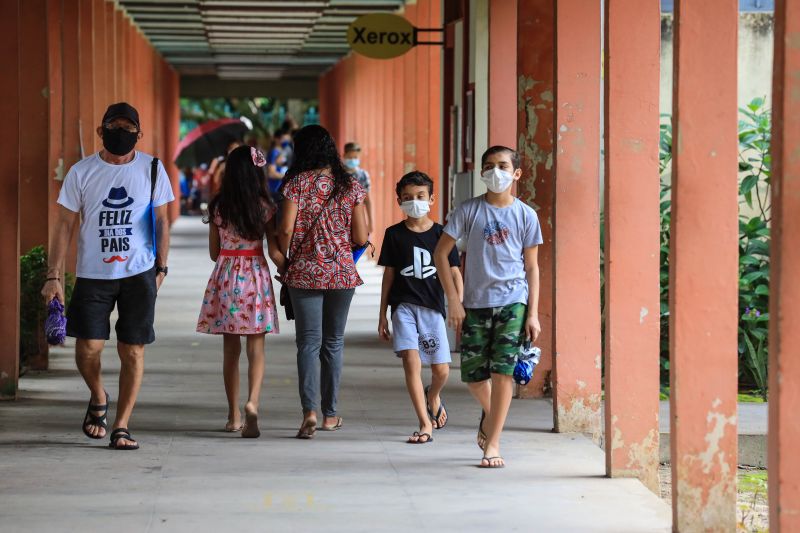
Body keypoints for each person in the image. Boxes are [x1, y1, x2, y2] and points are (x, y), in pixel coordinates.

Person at [41, 102, 174, 450]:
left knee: (133, 350)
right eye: (114, 127)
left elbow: (161, 221)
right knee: (88, 348)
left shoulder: (153, 169)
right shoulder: (81, 172)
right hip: (93, 273)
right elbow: (65, 225)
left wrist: (161, 268)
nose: (122, 134)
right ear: (100, 132)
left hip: (138, 273)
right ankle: (98, 395)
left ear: (139, 134)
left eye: (129, 129)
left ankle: (122, 425)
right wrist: (53, 275)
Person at [434, 145, 543, 468]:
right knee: (474, 378)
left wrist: (533, 313)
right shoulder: (468, 211)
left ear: (516, 173)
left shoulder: (525, 214)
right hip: (475, 304)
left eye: (503, 165)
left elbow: (532, 267)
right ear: (482, 172)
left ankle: (492, 444)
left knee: (503, 372)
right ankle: (491, 416)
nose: (496, 172)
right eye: (489, 166)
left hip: (513, 302)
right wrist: (453, 299)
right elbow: (442, 253)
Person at [278, 125, 369, 440]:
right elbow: (361, 236)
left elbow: (286, 229)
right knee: (333, 343)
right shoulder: (351, 185)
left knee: (308, 343)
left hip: (304, 273)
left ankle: (310, 413)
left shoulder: (296, 184)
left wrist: (288, 256)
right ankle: (331, 415)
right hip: (342, 273)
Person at [197, 146, 284, 438]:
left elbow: (213, 252)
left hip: (226, 277)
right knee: (256, 349)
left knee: (230, 351)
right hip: (256, 277)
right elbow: (273, 249)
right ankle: (252, 403)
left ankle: (233, 415)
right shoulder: (265, 207)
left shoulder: (218, 207)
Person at [378, 171, 463, 444]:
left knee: (441, 371)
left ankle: (433, 395)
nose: (414, 202)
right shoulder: (393, 235)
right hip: (403, 307)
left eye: (420, 197)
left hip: (433, 308)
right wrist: (382, 314)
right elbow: (389, 276)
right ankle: (424, 422)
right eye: (407, 198)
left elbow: (454, 273)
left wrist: (456, 304)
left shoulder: (442, 234)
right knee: (411, 362)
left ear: (431, 199)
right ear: (399, 201)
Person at [343, 142, 374, 234]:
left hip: (359, 216)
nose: (352, 160)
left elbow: (367, 200)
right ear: (344, 155)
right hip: (341, 216)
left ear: (359, 158)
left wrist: (370, 222)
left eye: (355, 157)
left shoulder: (363, 175)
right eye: (350, 157)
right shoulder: (338, 174)